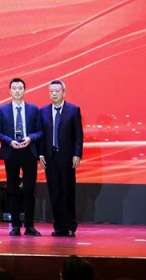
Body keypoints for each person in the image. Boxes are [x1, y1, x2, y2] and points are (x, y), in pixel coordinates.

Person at [0, 77, 42, 236]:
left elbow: (40, 131)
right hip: (11, 151)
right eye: (14, 88)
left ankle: (29, 226)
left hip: (29, 152)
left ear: (25, 90)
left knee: (29, 190)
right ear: (10, 91)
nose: (17, 91)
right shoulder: (3, 110)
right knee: (12, 190)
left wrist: (30, 138)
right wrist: (10, 141)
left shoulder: (33, 109)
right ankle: (15, 225)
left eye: (20, 88)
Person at [39, 80, 83, 237]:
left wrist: (77, 154)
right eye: (51, 91)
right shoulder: (42, 111)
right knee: (55, 193)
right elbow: (41, 135)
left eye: (57, 91)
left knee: (67, 192)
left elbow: (78, 135)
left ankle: (70, 226)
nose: (54, 94)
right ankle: (58, 227)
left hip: (67, 158)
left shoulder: (73, 110)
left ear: (64, 92)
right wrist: (41, 154)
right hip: (50, 158)